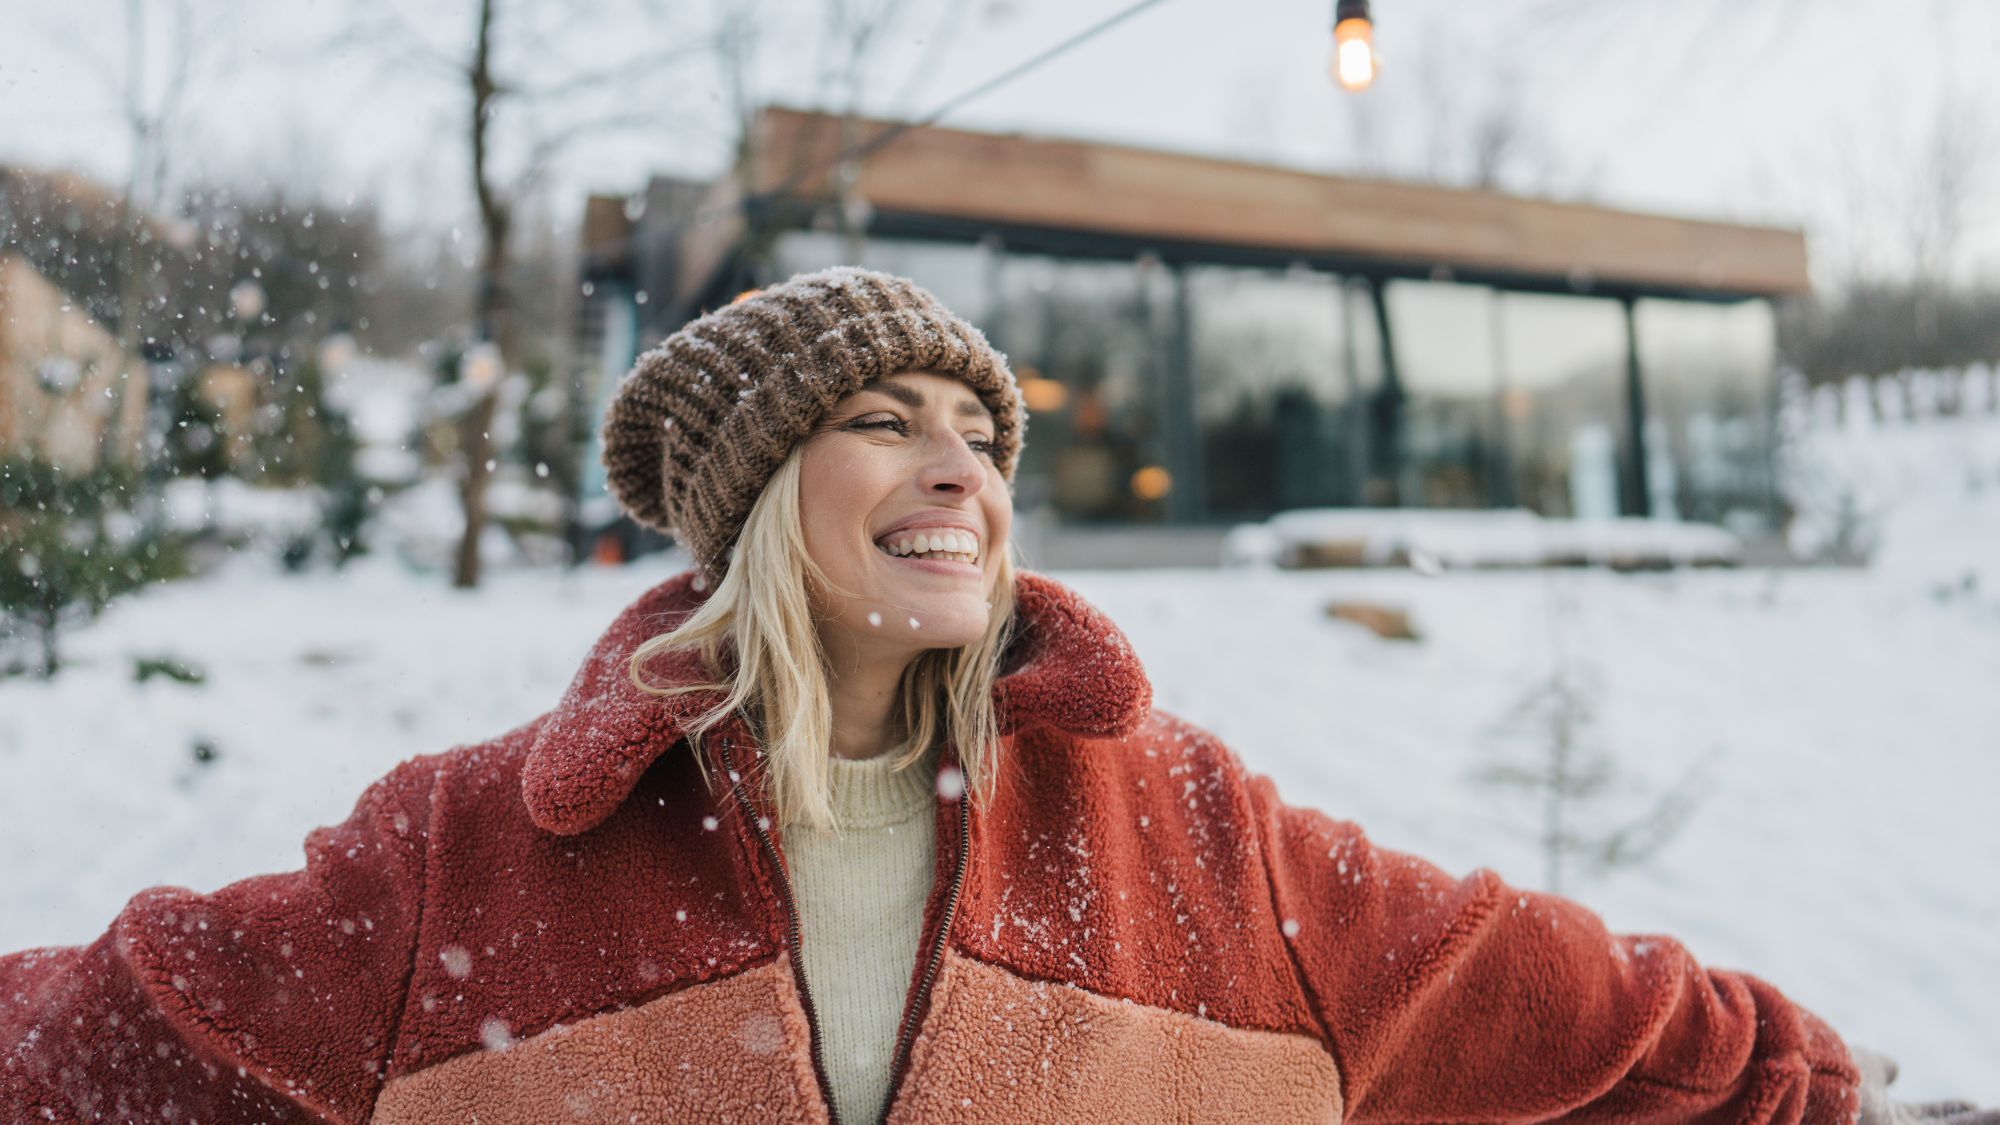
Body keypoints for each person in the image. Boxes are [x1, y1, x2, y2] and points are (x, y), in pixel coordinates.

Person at [0, 267, 1985, 1124]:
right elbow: (111, 1027)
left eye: (983, 431)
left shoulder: (1182, 827)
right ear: (758, 507)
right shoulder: (472, 852)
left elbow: (1531, 988)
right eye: (883, 423)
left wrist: (1823, 1085)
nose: (960, 465)